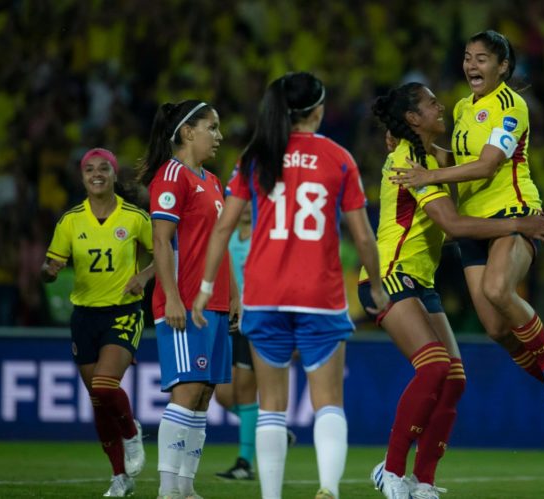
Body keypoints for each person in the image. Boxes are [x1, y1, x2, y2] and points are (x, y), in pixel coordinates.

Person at [363, 82, 544, 499]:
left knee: (454, 380)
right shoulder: (408, 163)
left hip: (419, 281)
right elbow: (454, 226)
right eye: (431, 103)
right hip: (390, 277)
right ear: (413, 120)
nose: (442, 106)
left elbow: (468, 174)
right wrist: (518, 224)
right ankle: (392, 470)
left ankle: (423, 483)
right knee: (435, 367)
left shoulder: (427, 159)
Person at [192, 72, 389, 499]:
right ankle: (328, 489)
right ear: (318, 110)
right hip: (320, 294)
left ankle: (271, 497)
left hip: (264, 295)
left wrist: (207, 286)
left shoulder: (256, 157)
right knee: (328, 402)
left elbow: (224, 226)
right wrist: (375, 284)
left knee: (271, 407)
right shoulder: (339, 158)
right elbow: (363, 237)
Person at [390, 29, 544, 441]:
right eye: (467, 57)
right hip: (473, 227)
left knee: (500, 289)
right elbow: (458, 158)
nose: (471, 65)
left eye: (482, 58)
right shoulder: (463, 107)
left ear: (502, 66)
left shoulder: (512, 106)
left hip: (514, 214)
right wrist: (416, 145)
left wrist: (431, 174)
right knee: (497, 330)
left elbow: (486, 165)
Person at [136, 99, 235, 499]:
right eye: (212, 127)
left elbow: (220, 242)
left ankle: (186, 486)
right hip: (185, 303)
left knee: (204, 394)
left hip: (214, 302)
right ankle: (166, 489)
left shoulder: (210, 181)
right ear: (188, 132)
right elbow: (161, 240)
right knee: (187, 390)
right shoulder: (171, 175)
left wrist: (236, 295)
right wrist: (171, 298)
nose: (219, 136)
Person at [41, 148, 151, 497]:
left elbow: (168, 253)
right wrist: (49, 271)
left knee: (105, 385)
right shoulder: (71, 220)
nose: (97, 174)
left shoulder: (134, 217)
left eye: (104, 168)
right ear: (83, 177)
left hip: (122, 312)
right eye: (90, 169)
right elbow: (49, 267)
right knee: (98, 400)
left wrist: (145, 276)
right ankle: (120, 477)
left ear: (114, 175)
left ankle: (132, 434)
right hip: (84, 317)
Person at [213, 203, 259, 480]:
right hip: (228, 319)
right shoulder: (228, 236)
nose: (245, 209)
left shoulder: (264, 235)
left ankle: (244, 463)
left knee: (244, 391)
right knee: (223, 395)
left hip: (254, 321)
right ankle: (270, 433)